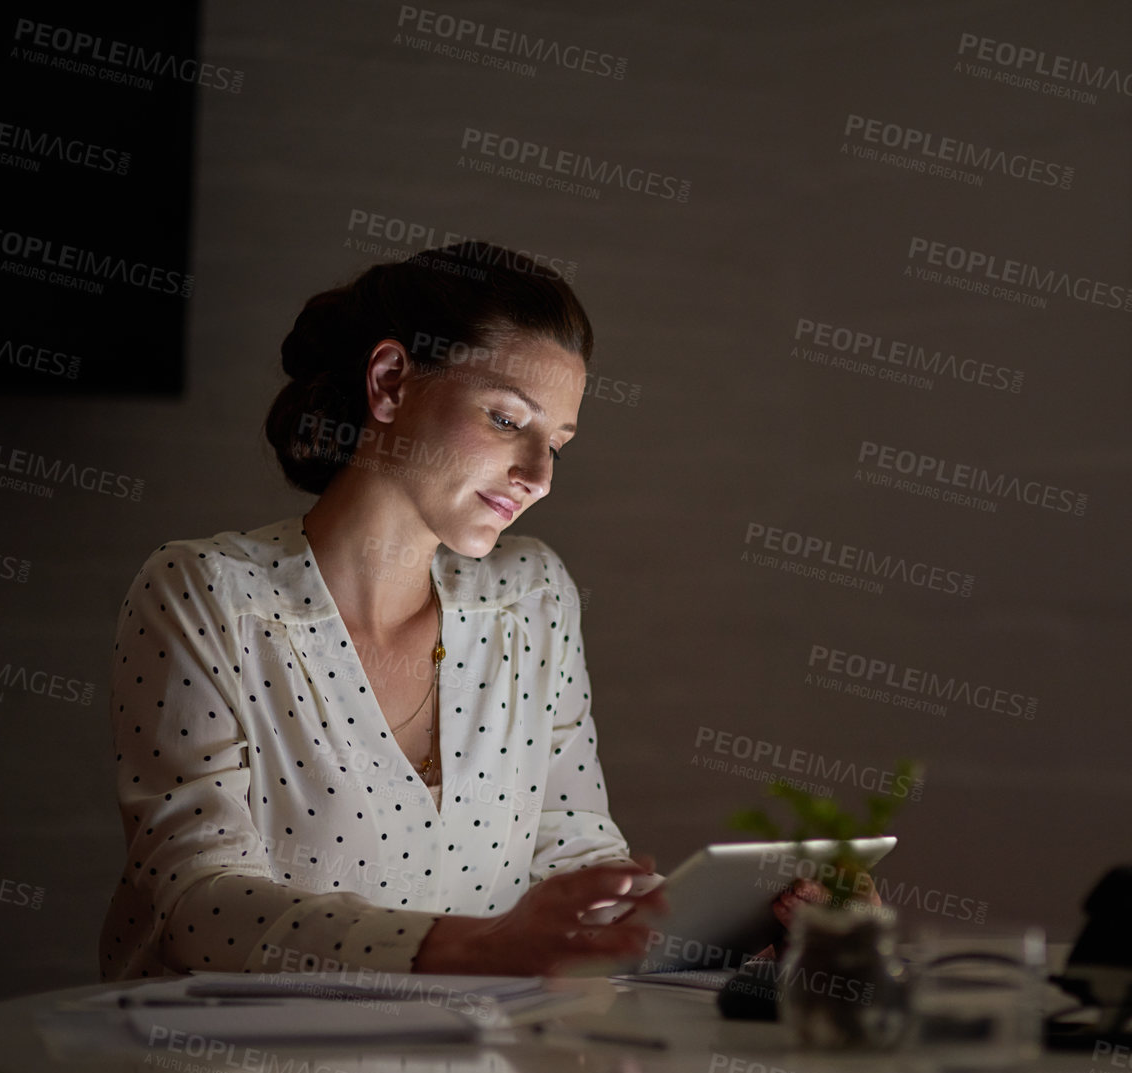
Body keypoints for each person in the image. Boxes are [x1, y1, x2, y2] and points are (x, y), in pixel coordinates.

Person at [97, 241, 833, 980]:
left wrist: (734, 926)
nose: (539, 475)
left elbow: (573, 857)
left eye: (558, 443)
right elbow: (196, 906)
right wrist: (471, 947)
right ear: (389, 382)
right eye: (508, 421)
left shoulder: (531, 596)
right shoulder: (205, 595)